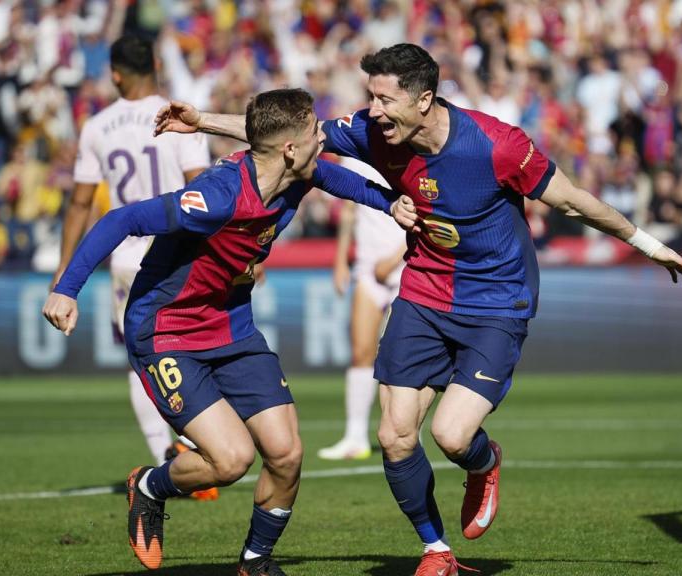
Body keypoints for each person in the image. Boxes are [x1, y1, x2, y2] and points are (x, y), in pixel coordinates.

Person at [154, 43, 682, 576]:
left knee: (453, 436)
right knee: (394, 436)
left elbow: (573, 200)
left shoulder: (498, 145)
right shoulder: (377, 132)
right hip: (423, 293)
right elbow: (284, 139)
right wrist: (200, 119)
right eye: (371, 97)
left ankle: (484, 464)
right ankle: (436, 550)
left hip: (496, 302)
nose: (373, 111)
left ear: (423, 100)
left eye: (385, 99)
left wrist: (650, 246)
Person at [44, 88, 415, 576]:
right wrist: (66, 288)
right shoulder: (216, 197)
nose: (322, 137)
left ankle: (255, 562)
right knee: (231, 460)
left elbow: (346, 182)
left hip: (231, 325)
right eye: (313, 131)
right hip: (167, 330)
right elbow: (123, 218)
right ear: (289, 148)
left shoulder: (298, 173)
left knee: (286, 453)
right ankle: (152, 485)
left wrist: (392, 204)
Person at [51, 35, 217, 495]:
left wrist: (66, 272)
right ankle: (193, 446)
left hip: (126, 258)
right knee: (191, 348)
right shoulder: (180, 115)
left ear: (116, 73)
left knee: (138, 363)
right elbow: (200, 190)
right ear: (158, 63)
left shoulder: (98, 126)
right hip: (177, 253)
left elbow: (80, 203)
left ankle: (167, 449)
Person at [319, 158, 406, 461]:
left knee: (403, 357)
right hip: (368, 268)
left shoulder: (407, 150)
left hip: (406, 267)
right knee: (361, 352)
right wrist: (341, 259)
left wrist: (395, 259)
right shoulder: (352, 155)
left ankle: (408, 433)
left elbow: (424, 212)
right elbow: (349, 209)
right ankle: (355, 436)